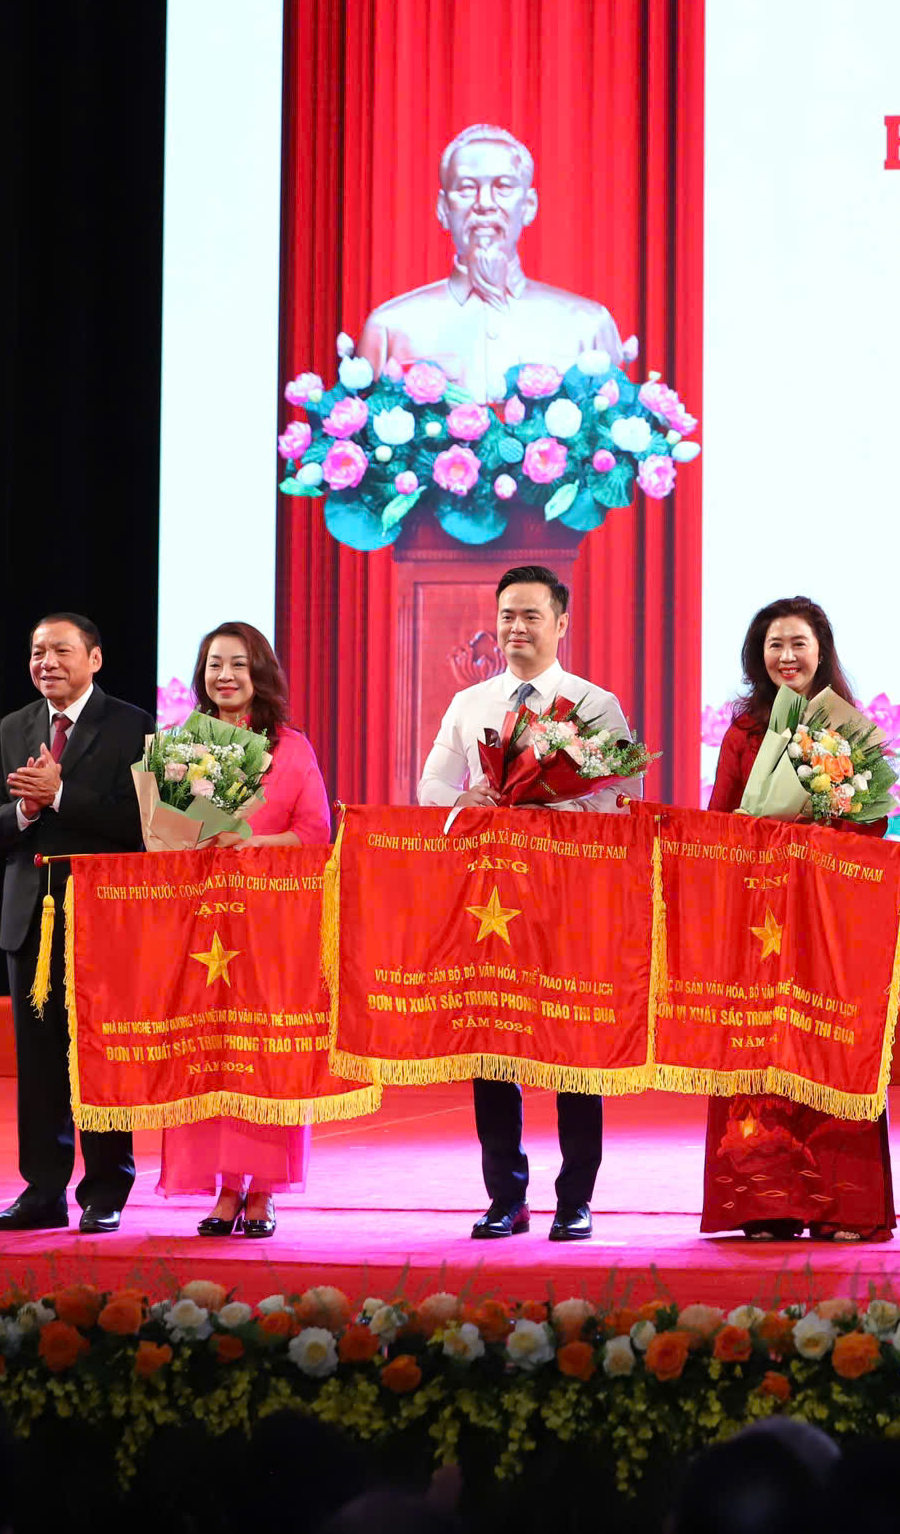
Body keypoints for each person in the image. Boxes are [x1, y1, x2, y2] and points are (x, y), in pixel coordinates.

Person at [416, 564, 637, 1243]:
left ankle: (577, 1198)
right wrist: (464, 799)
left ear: (561, 623)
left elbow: (619, 799)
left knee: (574, 1047)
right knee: (494, 1050)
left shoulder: (593, 705)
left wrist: (555, 805)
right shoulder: (471, 703)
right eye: (507, 615)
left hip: (570, 900)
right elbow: (429, 784)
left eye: (530, 616)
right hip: (493, 902)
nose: (515, 628)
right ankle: (505, 1197)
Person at [701, 597, 897, 1242]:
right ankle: (766, 1204)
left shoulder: (849, 730)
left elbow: (872, 824)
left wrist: (818, 835)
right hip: (758, 915)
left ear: (822, 652)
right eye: (774, 645)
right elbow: (720, 821)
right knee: (759, 1050)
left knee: (828, 1047)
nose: (787, 657)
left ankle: (844, 1206)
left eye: (799, 644)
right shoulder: (745, 732)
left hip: (829, 917)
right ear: (759, 657)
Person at [0, 613, 153, 1233]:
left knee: (100, 1057)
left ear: (94, 659)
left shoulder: (133, 727)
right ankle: (42, 1191)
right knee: (41, 1063)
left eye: (60, 651)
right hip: (30, 920)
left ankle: (106, 1191)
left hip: (106, 921)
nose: (46, 662)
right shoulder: (11, 728)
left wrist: (62, 797)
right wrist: (23, 808)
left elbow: (142, 827)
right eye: (37, 652)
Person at [158, 621, 332, 1240]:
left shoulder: (292, 748)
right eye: (212, 665)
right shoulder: (181, 745)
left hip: (270, 926)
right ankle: (222, 1188)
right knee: (207, 1052)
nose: (224, 676)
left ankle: (261, 1190)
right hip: (201, 925)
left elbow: (315, 835)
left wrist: (251, 843)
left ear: (261, 671)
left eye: (237, 663)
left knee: (264, 1053)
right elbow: (164, 835)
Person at [358, 122, 626, 397]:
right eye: (466, 188)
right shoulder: (390, 328)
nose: (484, 203)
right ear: (443, 209)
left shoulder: (588, 325)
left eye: (503, 187)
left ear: (529, 206)